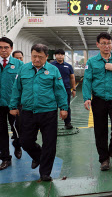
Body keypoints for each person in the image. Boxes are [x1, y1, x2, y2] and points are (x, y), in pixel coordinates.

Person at [9, 44, 68, 181]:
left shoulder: (53, 70)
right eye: (34, 56)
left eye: (40, 57)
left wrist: (64, 108)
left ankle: (45, 173)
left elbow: (59, 90)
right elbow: (16, 89)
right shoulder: (24, 69)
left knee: (49, 143)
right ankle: (38, 156)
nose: (36, 59)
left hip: (48, 111)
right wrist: (13, 105)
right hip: (28, 111)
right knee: (25, 141)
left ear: (46, 57)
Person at [83, 32, 112, 171]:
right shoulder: (92, 61)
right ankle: (104, 159)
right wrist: (86, 98)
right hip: (99, 100)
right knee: (100, 130)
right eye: (103, 43)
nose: (106, 46)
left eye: (109, 43)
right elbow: (87, 80)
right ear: (98, 45)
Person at [0, 37, 23, 170]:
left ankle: (18, 145)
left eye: (6, 47)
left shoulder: (19, 65)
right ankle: (5, 158)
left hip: (14, 105)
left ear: (11, 48)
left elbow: (23, 85)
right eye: (0, 47)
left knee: (18, 129)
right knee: (1, 132)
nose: (3, 50)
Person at [51, 49, 76, 129]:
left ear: (64, 56)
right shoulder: (51, 66)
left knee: (66, 106)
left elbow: (72, 78)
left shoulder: (68, 66)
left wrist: (74, 89)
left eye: (62, 54)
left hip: (66, 90)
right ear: (55, 56)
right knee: (53, 107)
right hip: (53, 90)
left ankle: (67, 123)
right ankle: (53, 124)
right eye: (58, 54)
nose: (60, 56)